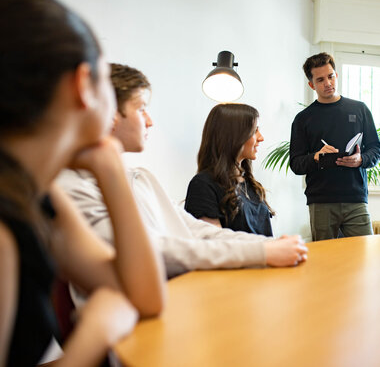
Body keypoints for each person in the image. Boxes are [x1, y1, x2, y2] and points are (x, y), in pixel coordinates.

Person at [0, 0, 165, 367]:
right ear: (83, 84)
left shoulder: (41, 198)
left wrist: (109, 167)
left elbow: (147, 297)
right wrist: (95, 335)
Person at [58, 64, 308, 281]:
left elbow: (197, 232)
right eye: (141, 108)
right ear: (109, 114)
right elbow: (155, 250)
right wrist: (263, 253)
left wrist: (270, 245)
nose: (149, 121)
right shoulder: (72, 189)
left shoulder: (142, 178)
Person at [290, 52, 380, 241]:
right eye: (320, 79)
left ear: (336, 75)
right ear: (311, 84)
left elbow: (375, 149)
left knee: (366, 257)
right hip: (321, 201)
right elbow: (296, 164)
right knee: (325, 263)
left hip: (356, 199)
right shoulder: (303, 119)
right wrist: (316, 156)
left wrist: (361, 159)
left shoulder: (360, 109)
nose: (328, 83)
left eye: (331, 76)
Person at [185, 103, 274, 236]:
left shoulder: (251, 185)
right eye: (255, 130)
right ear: (234, 136)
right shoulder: (203, 185)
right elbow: (214, 244)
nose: (261, 138)